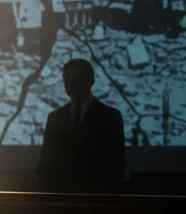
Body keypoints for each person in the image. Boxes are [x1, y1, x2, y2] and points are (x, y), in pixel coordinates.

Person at [36, 57, 125, 191]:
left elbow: (116, 166)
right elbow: (45, 163)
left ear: (90, 81)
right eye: (66, 80)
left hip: (96, 199)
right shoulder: (55, 118)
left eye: (75, 79)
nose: (69, 84)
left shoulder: (110, 117)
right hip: (60, 200)